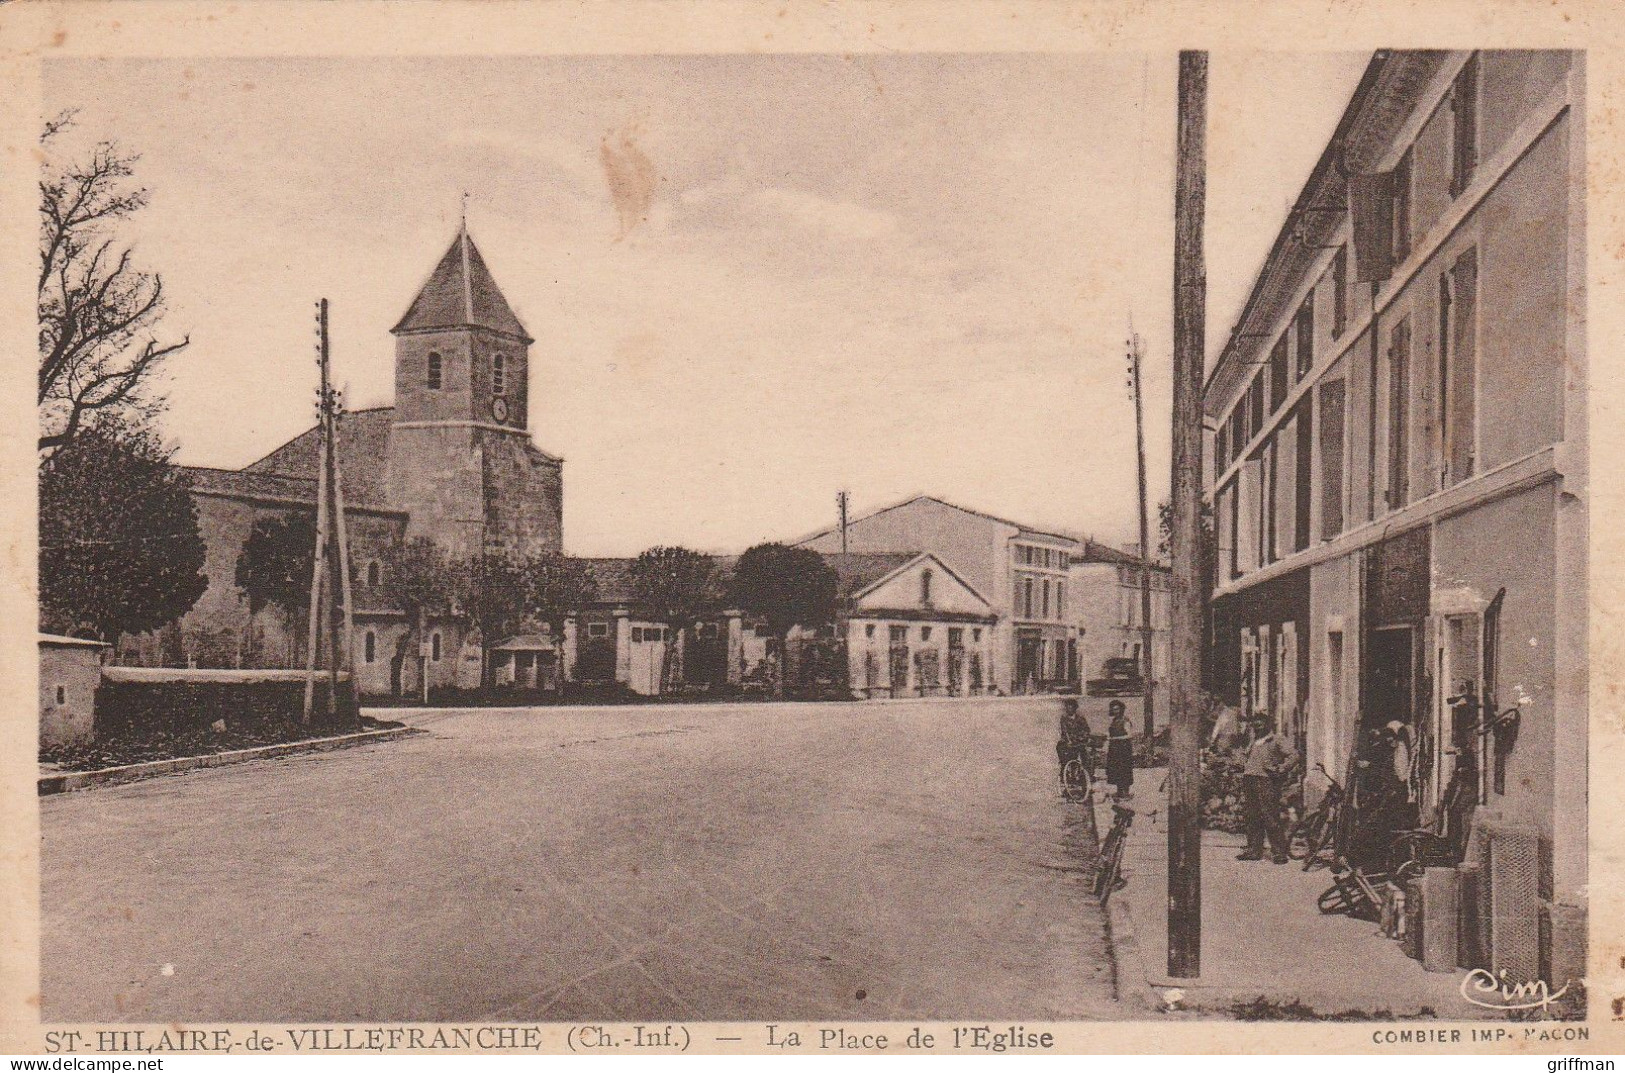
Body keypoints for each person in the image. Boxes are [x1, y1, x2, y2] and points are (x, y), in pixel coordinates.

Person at [1237, 711, 1293, 864]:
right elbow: (1245, 756)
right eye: (1255, 724)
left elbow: (1294, 755)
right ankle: (1254, 850)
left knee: (1270, 816)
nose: (1258, 727)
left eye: (1261, 724)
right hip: (1249, 779)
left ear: (1268, 724)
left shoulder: (1277, 739)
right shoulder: (1254, 740)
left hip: (1266, 781)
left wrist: (1281, 768)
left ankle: (1279, 853)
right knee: (1252, 816)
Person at [1055, 698, 1093, 787]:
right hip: (1068, 741)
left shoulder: (1080, 718)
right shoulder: (1064, 718)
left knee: (1085, 757)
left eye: (1071, 707)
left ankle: (1085, 775)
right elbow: (1065, 731)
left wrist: (1082, 738)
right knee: (1062, 750)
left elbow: (1086, 730)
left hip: (1079, 741)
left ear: (1075, 708)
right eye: (1067, 707)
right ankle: (1065, 770)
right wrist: (1069, 741)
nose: (1069, 709)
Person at [1105, 700, 1134, 801]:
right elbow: (1110, 734)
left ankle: (1125, 792)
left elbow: (1129, 735)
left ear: (1121, 709)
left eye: (1117, 709)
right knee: (1115, 769)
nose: (1115, 711)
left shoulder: (1125, 720)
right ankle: (1119, 791)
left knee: (1124, 769)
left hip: (1124, 749)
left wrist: (1115, 739)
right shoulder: (1114, 721)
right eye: (1114, 709)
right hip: (1114, 749)